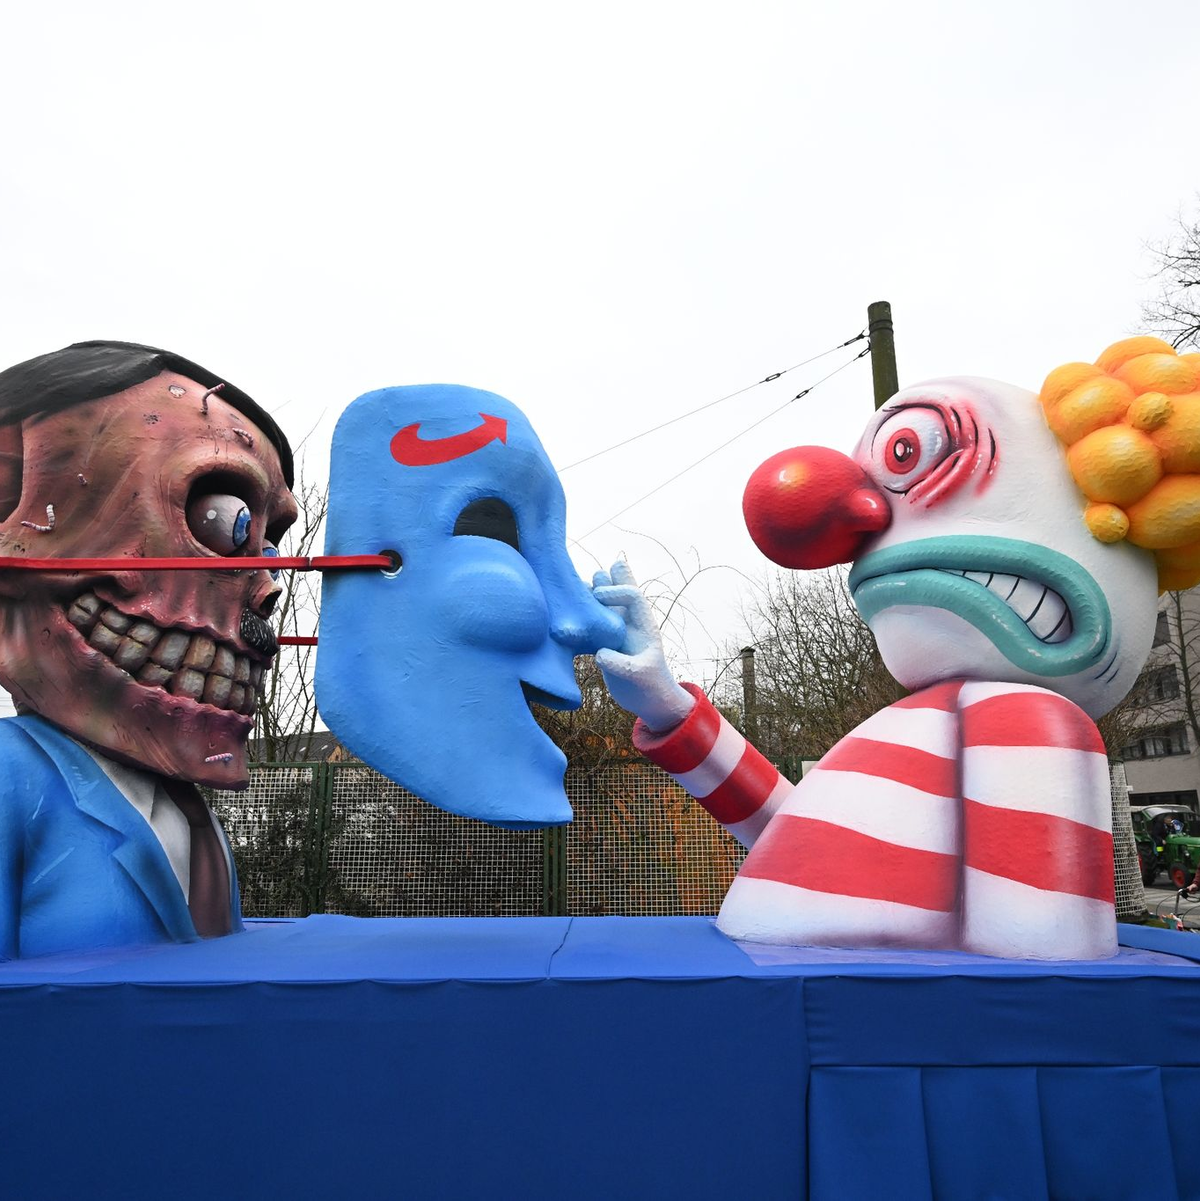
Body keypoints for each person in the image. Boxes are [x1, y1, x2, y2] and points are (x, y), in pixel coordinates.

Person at [0, 341, 296, 958]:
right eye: (222, 519)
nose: (265, 591)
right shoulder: (11, 781)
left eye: (267, 549)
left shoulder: (189, 810)